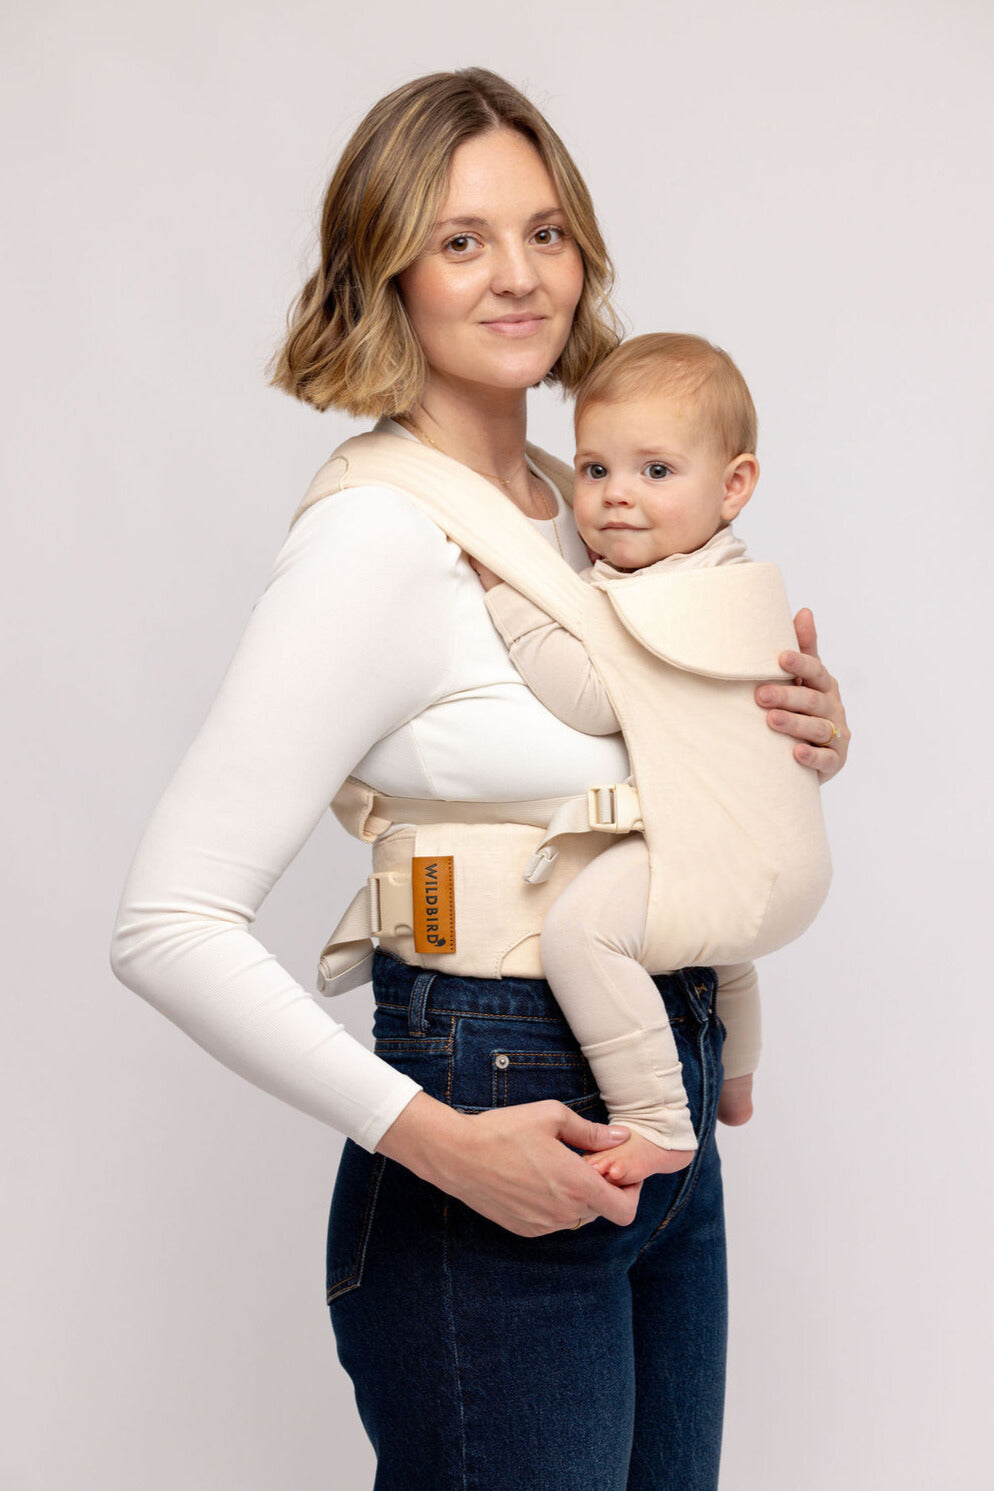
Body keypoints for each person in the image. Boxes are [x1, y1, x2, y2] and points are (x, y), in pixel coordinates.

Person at [109, 68, 850, 1491]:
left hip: (661, 1078)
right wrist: (443, 1146)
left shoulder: (603, 513)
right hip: (488, 1092)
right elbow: (169, 922)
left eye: (546, 231)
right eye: (460, 240)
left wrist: (794, 730)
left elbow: (642, 754)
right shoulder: (378, 541)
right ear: (384, 270)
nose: (518, 276)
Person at [469, 330, 832, 1188]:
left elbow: (593, 696)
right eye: (594, 470)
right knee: (714, 938)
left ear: (734, 485)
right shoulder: (736, 584)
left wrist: (512, 602)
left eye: (656, 472)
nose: (615, 498)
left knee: (586, 931)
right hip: (786, 873)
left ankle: (660, 1117)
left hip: (724, 869)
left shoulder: (662, 598)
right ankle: (734, 1077)